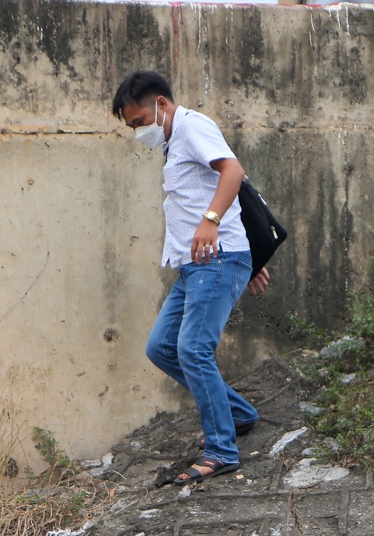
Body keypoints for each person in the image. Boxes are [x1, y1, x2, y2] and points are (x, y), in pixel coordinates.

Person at [111, 70, 271, 486]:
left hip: (216, 260)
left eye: (139, 121)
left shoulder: (192, 127)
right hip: (195, 264)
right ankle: (237, 413)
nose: (137, 132)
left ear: (160, 104)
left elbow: (233, 173)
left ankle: (221, 450)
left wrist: (212, 222)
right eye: (131, 127)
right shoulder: (173, 139)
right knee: (161, 347)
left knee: (193, 349)